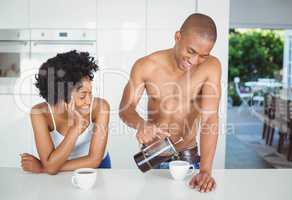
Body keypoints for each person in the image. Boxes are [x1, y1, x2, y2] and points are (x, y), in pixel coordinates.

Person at [119, 13, 221, 192]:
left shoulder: (211, 67)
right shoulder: (146, 65)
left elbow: (210, 119)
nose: (195, 61)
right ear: (178, 37)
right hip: (153, 156)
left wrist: (205, 169)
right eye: (191, 51)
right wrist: (141, 124)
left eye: (203, 55)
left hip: (188, 159)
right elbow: (125, 110)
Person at [20, 50, 111, 175]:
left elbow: (94, 160)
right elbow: (51, 166)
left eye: (90, 92)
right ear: (61, 94)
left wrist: (45, 167)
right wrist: (75, 129)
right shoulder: (39, 113)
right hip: (59, 169)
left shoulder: (101, 107)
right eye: (82, 96)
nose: (89, 101)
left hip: (97, 168)